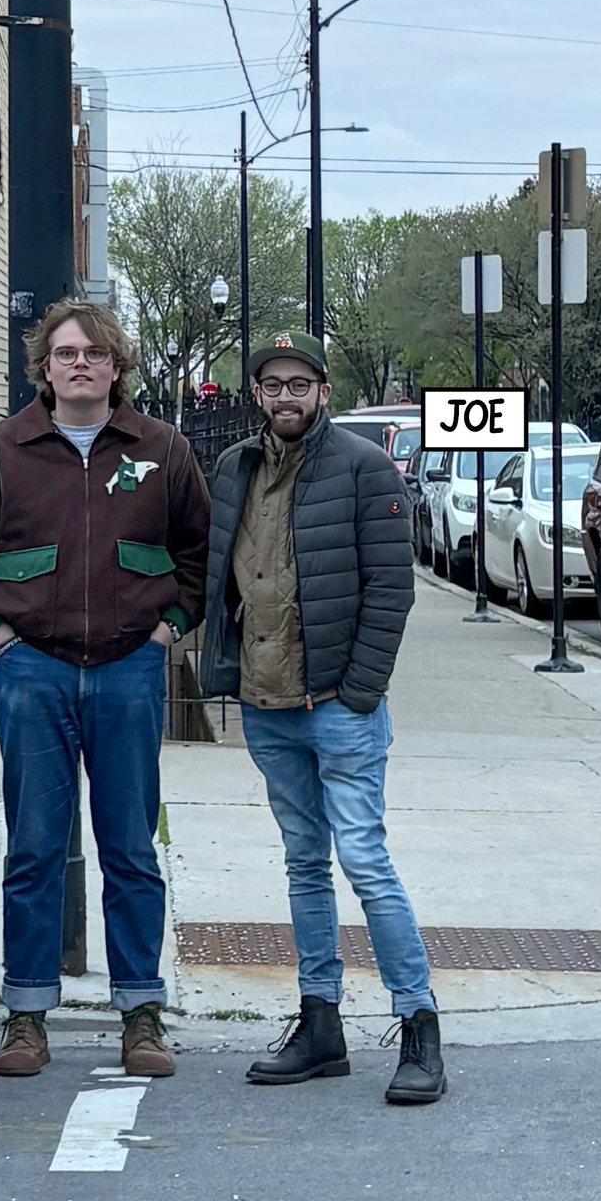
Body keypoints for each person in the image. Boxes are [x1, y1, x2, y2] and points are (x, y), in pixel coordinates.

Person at [0, 298, 210, 1079]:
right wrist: (0, 633)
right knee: (35, 849)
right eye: (64, 352)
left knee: (130, 847)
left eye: (93, 352)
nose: (79, 363)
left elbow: (199, 556)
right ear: (42, 368)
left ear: (117, 366)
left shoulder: (163, 450)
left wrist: (168, 626)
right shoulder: (0, 451)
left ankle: (142, 1013)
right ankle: (25, 1015)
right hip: (33, 674)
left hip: (129, 671)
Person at [199, 330, 442, 1104]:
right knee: (304, 865)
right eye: (272, 384)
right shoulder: (234, 468)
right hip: (268, 709)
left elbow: (391, 591)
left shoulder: (365, 470)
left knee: (365, 862)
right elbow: (219, 576)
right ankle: (320, 1021)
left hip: (338, 707)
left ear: (323, 390)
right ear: (258, 394)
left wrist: (360, 690)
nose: (285, 397)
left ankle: (419, 1026)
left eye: (299, 383)